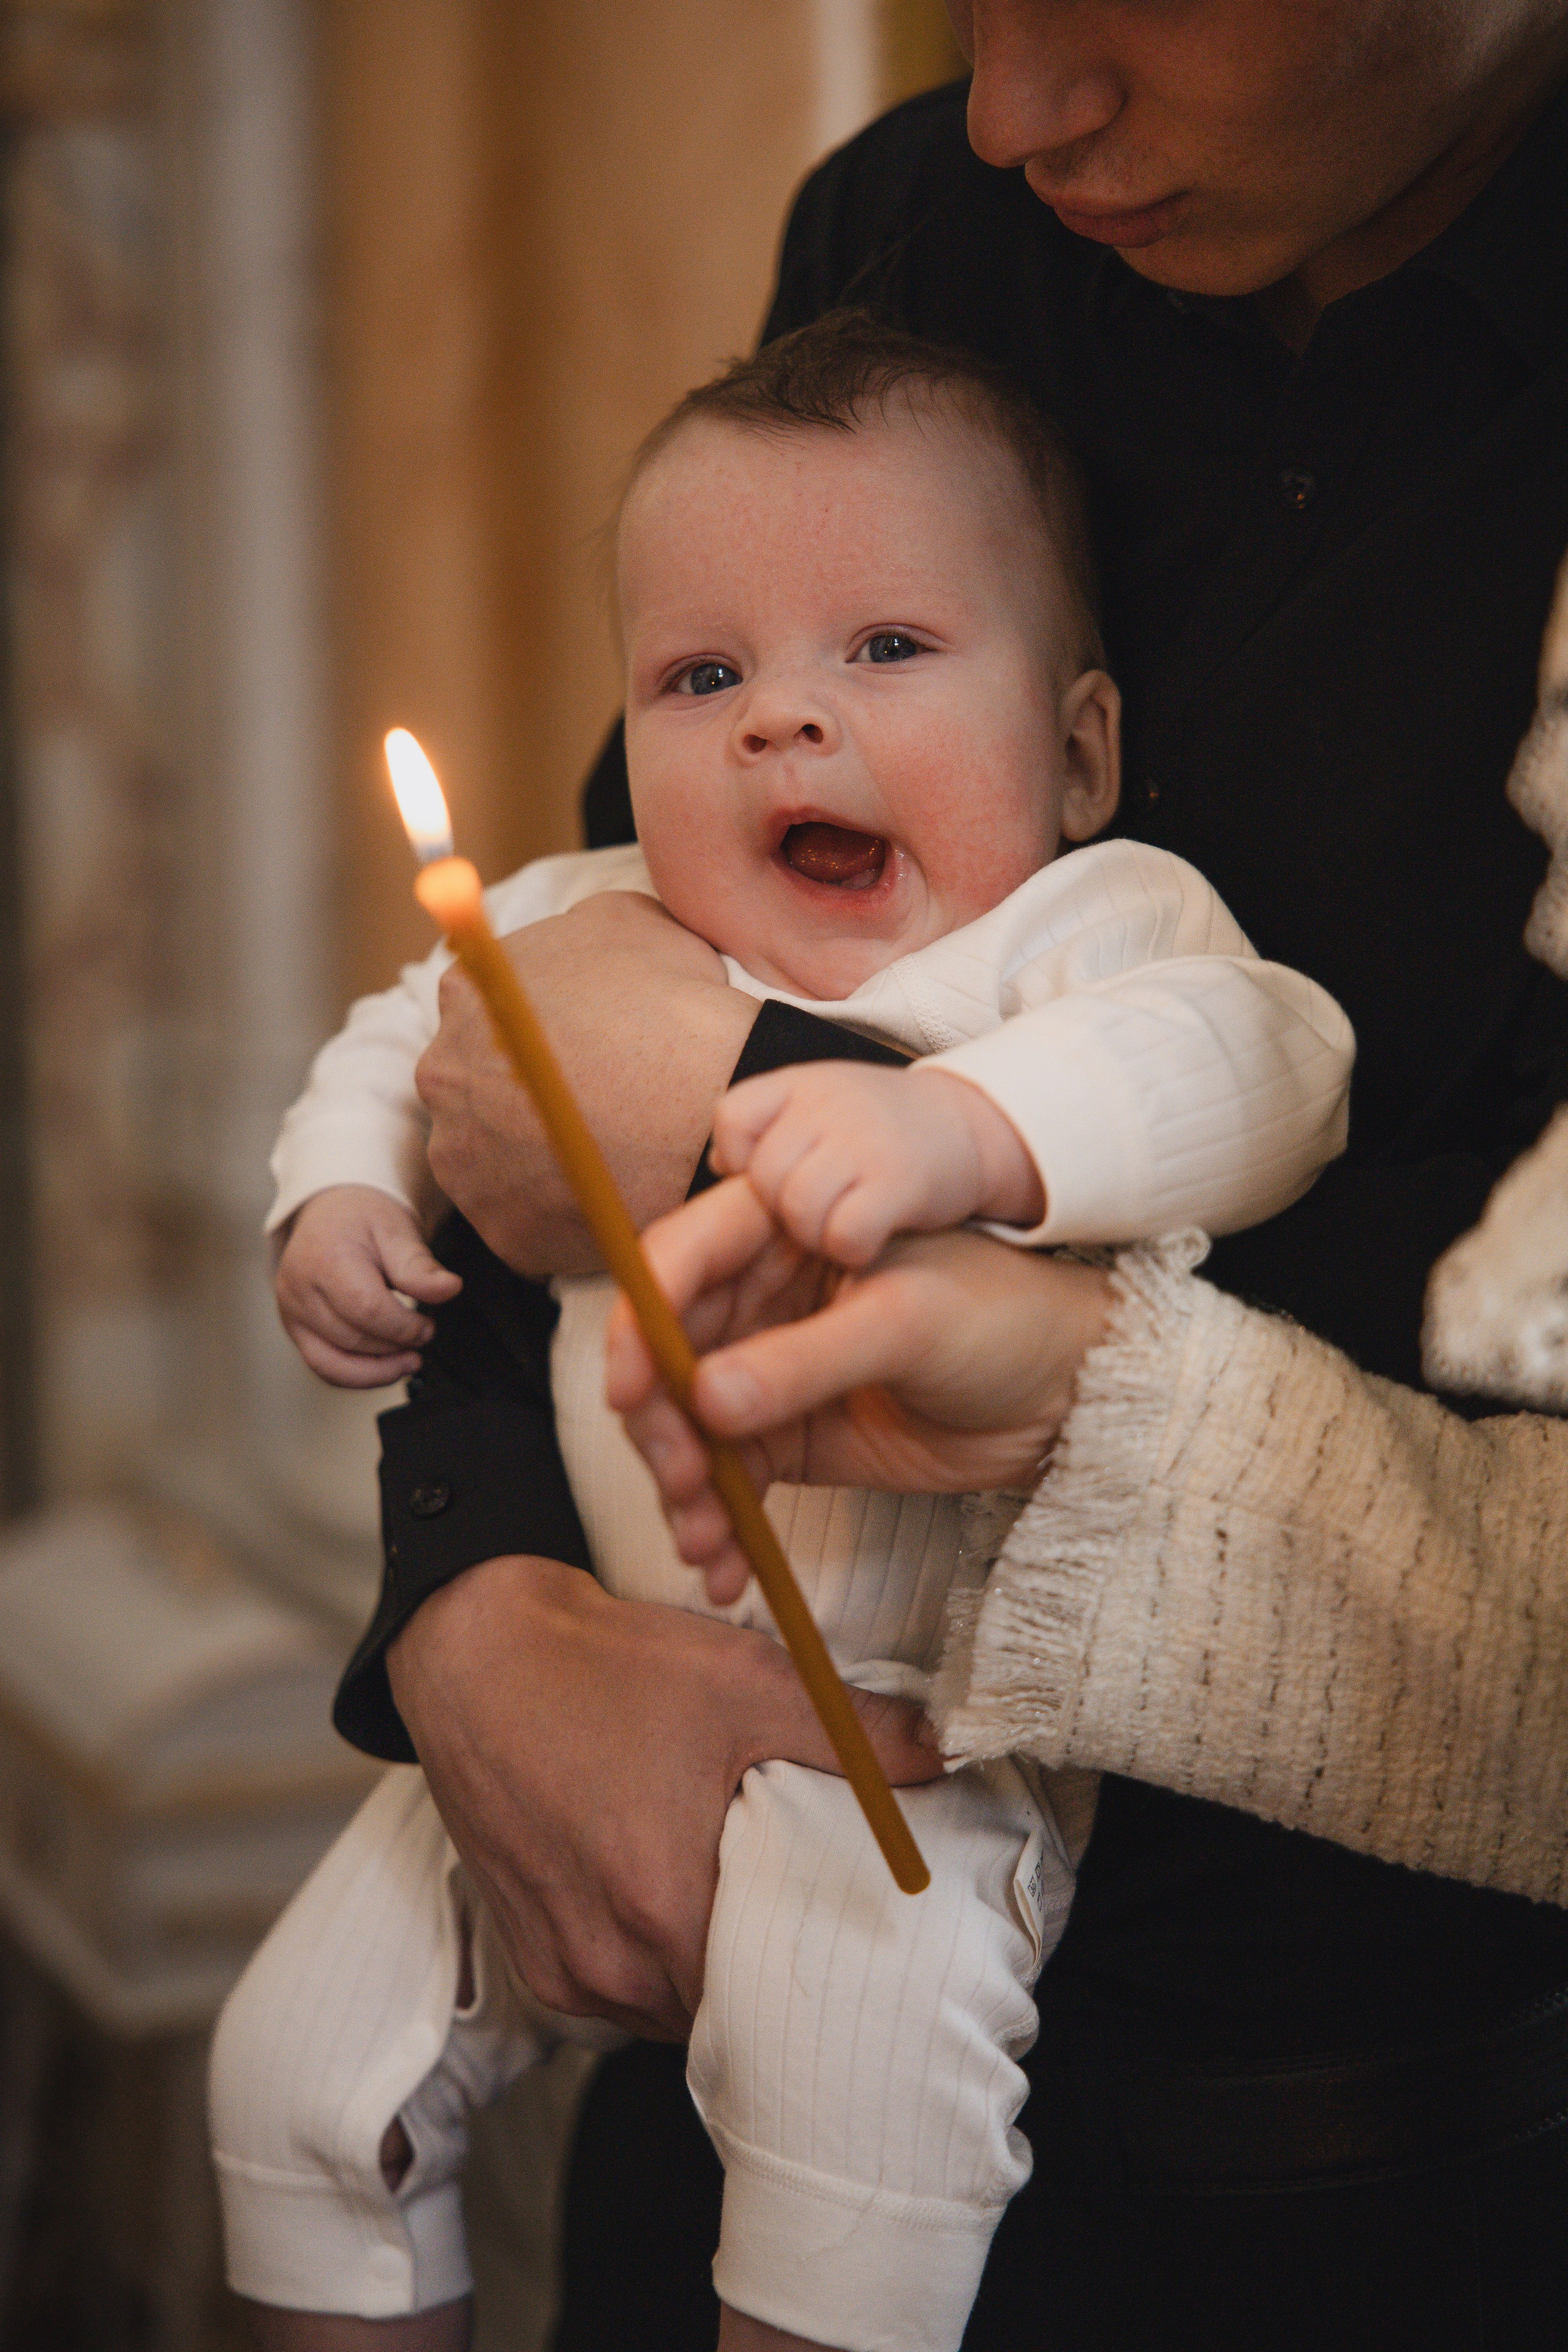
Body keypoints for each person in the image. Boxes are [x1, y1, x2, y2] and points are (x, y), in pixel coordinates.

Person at [238, 4, 1568, 2344]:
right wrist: (471, 1598)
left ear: (1085, 753)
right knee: (303, 2083)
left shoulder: (1125, 941)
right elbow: (528, 1018)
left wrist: (790, 1084)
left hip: (1342, 2129)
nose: (1009, 111)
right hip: (663, 1851)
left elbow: (1302, 1121)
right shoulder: (917, 230)